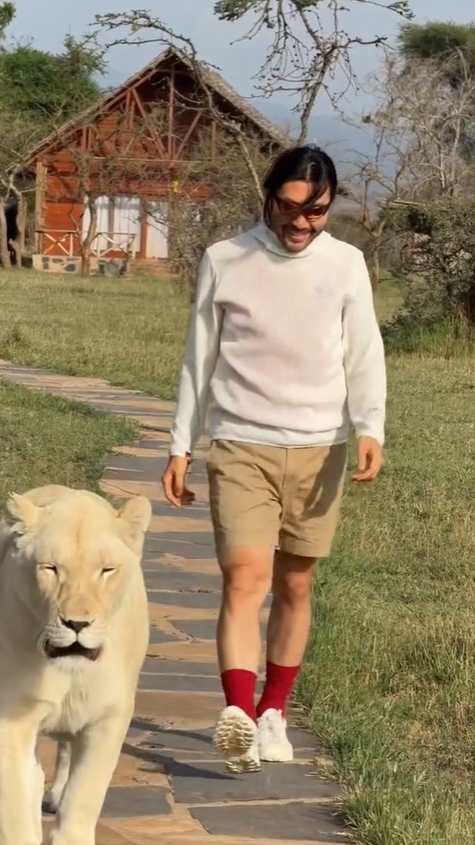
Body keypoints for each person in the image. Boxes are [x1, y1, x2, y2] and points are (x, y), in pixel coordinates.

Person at [161, 145, 386, 774]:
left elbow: (363, 352)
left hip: (320, 448)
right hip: (241, 443)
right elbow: (199, 358)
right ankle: (237, 713)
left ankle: (272, 713)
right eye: (288, 208)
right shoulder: (225, 259)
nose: (300, 223)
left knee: (295, 583)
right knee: (244, 579)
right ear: (268, 198)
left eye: (316, 211)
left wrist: (369, 426)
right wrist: (180, 443)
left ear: (329, 208)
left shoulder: (346, 264)